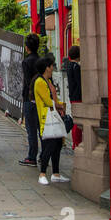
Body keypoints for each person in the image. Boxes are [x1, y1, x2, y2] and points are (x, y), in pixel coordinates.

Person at [34, 53, 68, 185]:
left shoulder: (49, 81)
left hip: (55, 115)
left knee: (58, 144)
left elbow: (54, 98)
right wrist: (59, 105)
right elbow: (48, 101)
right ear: (46, 67)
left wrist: (59, 106)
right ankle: (42, 173)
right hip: (46, 118)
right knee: (49, 145)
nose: (53, 68)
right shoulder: (39, 82)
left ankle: (56, 173)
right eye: (51, 66)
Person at [18, 33, 41, 167]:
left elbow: (27, 81)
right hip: (40, 98)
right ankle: (44, 156)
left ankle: (32, 156)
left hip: (29, 98)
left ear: (27, 47)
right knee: (41, 128)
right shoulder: (41, 60)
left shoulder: (26, 61)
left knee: (31, 129)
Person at [64, 44, 82, 149]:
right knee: (78, 122)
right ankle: (77, 142)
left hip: (72, 97)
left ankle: (75, 142)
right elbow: (79, 83)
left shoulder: (69, 66)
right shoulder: (76, 67)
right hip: (78, 97)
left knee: (76, 119)